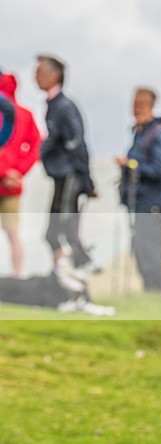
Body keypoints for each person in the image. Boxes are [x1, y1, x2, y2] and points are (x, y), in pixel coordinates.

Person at [35, 54, 98, 273]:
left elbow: (77, 144)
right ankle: (62, 277)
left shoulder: (63, 106)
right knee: (54, 233)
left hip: (70, 176)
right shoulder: (54, 105)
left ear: (55, 75)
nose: (36, 77)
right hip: (62, 176)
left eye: (39, 72)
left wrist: (87, 182)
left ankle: (81, 270)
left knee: (62, 230)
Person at [115, 87, 161, 293]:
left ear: (151, 106)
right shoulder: (140, 132)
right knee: (141, 249)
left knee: (150, 250)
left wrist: (131, 165)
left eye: (141, 104)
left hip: (152, 203)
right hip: (140, 202)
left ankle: (158, 293)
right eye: (134, 104)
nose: (136, 109)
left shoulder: (159, 134)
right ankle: (151, 293)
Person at [0, 71, 41, 278]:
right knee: (13, 233)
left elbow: (35, 145)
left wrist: (11, 172)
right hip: (12, 183)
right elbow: (36, 147)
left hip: (10, 184)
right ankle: (17, 277)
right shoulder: (25, 114)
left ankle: (16, 277)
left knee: (13, 232)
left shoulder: (19, 114)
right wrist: (17, 172)